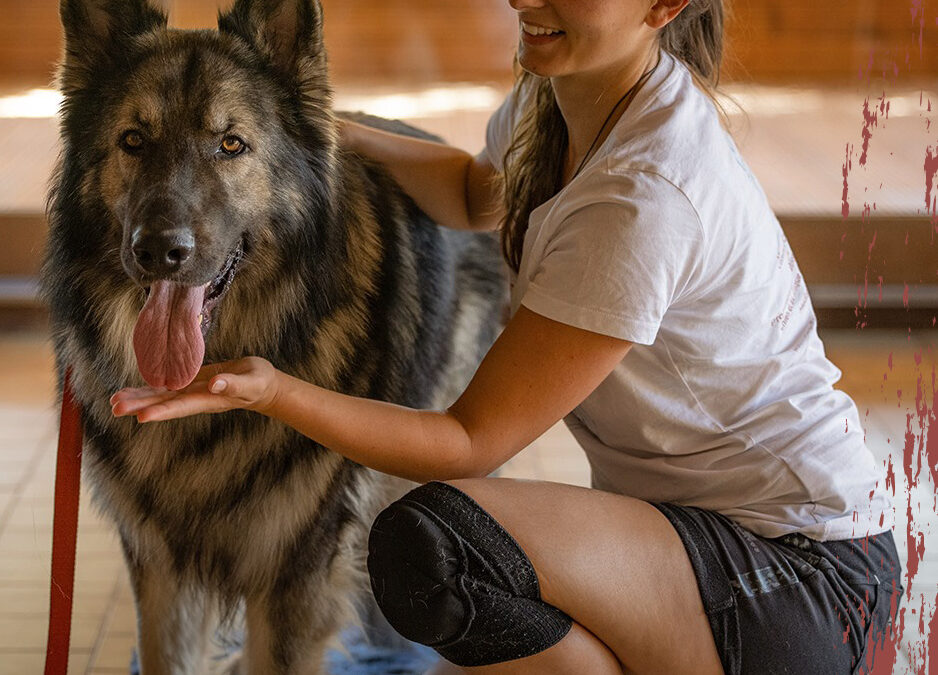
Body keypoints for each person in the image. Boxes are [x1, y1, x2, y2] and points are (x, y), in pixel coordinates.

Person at [111, 0, 904, 673]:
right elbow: (473, 191)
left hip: (803, 577)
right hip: (697, 533)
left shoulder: (645, 193)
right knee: (456, 573)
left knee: (438, 548)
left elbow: (466, 440)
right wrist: (323, 134)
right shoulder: (565, 94)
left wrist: (274, 390)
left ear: (664, 6)